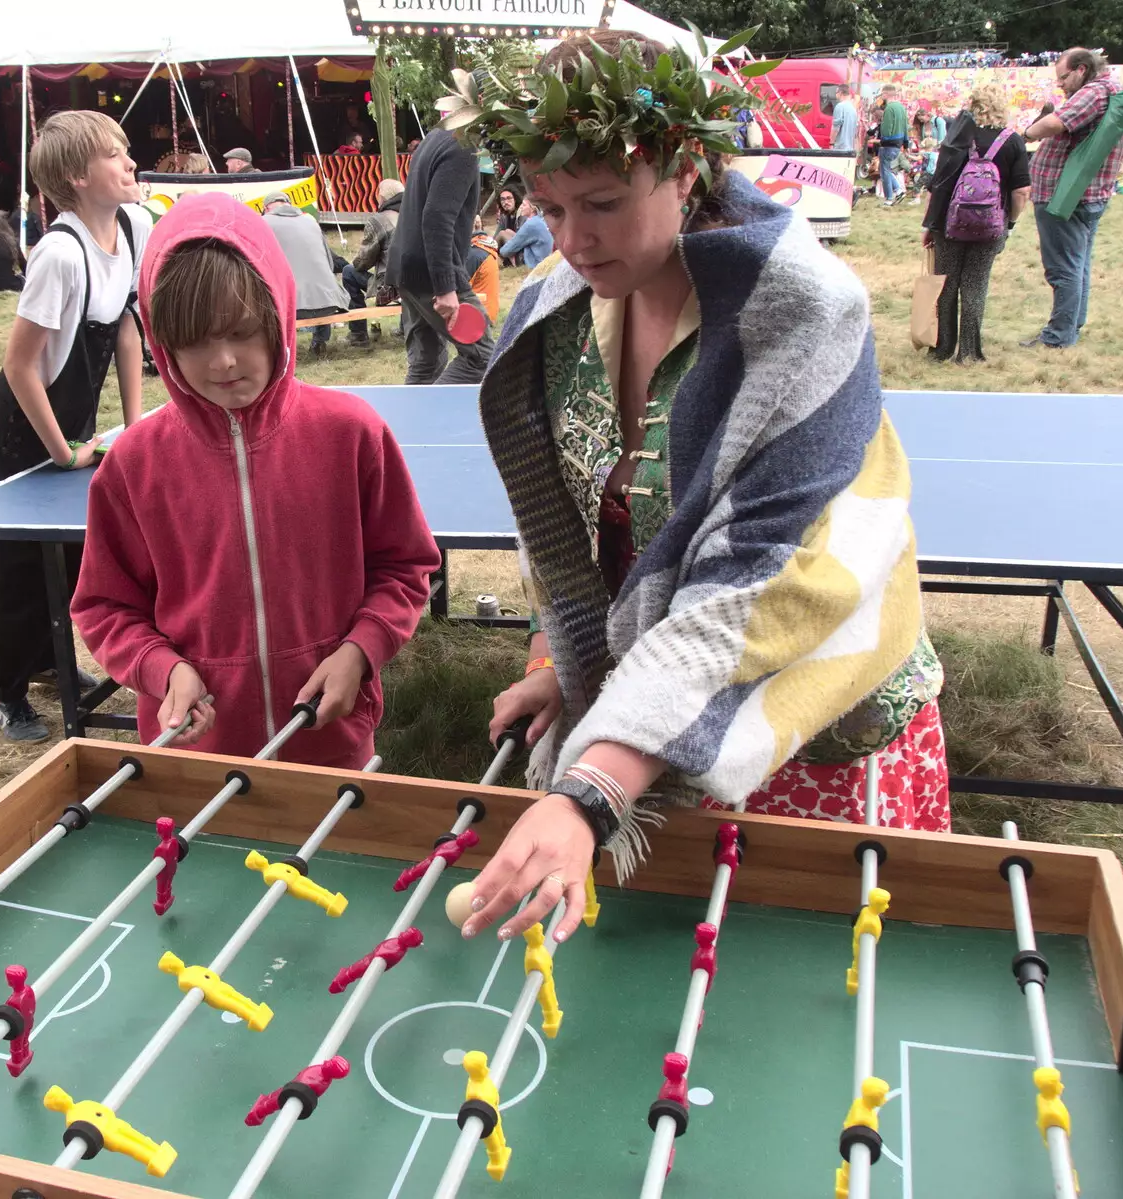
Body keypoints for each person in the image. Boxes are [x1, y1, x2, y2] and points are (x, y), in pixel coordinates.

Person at [440, 29, 945, 946]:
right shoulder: (556, 305)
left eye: (600, 202)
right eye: (547, 206)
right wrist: (565, 657)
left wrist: (592, 789)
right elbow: (575, 528)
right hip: (647, 715)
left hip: (809, 725)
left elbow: (764, 573)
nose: (571, 240)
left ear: (686, 165)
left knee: (797, 1007)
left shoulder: (802, 309)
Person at [70, 191, 441, 764]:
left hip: (330, 740)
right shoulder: (134, 463)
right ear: (163, 345)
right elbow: (104, 605)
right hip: (196, 749)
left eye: (242, 332)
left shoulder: (352, 433)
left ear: (278, 316)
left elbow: (406, 565)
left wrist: (360, 652)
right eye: (195, 342)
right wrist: (163, 670)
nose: (223, 362)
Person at [0, 110, 150, 741]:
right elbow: (20, 365)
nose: (130, 162)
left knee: (70, 551)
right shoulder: (59, 252)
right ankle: (4, 687)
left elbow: (127, 330)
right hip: (22, 428)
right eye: (114, 154)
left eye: (125, 150)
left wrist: (133, 428)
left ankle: (50, 662)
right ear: (76, 177)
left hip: (71, 421)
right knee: (16, 562)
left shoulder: (132, 226)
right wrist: (61, 451)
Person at [1021, 48, 1123, 350]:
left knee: (1063, 268)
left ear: (1081, 69)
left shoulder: (1094, 94)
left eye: (1062, 77)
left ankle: (1059, 336)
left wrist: (1026, 133)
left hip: (1065, 196)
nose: (1059, 84)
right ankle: (1071, 326)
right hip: (1089, 195)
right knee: (1078, 265)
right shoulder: (1116, 92)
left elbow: (1056, 123)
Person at [922, 83, 1031, 363]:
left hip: (949, 224)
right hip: (991, 226)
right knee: (975, 284)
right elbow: (1021, 192)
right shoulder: (1013, 140)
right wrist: (1010, 223)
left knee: (946, 284)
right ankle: (969, 352)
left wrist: (930, 225)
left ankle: (942, 349)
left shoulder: (957, 136)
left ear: (972, 105)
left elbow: (939, 184)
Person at [388, 128, 497, 384]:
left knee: (426, 363)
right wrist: (445, 286)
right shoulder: (463, 146)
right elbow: (437, 217)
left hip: (408, 268)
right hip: (431, 272)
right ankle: (430, 419)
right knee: (482, 358)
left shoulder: (435, 137)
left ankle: (409, 424)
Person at [262, 191, 350, 355]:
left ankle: (281, 351)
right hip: (330, 303)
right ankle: (320, 341)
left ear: (266, 208)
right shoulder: (310, 220)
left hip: (291, 308)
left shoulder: (264, 223)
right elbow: (330, 263)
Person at [344, 178, 402, 345]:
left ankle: (358, 333)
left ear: (382, 197)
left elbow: (364, 260)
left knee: (349, 272)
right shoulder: (416, 214)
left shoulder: (380, 220)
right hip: (418, 282)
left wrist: (354, 263)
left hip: (391, 286)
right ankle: (405, 330)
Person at [496, 195, 553, 268]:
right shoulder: (540, 219)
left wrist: (501, 252)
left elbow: (506, 251)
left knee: (502, 234)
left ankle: (487, 256)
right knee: (508, 231)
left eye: (524, 205)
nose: (521, 207)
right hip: (541, 257)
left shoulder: (531, 224)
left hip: (533, 262)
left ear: (532, 209)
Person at [877, 84, 909, 204]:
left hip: (888, 144)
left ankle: (889, 198)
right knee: (887, 170)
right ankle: (898, 190)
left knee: (884, 171)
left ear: (885, 94)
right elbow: (906, 127)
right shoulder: (901, 107)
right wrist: (906, 144)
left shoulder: (889, 109)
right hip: (899, 143)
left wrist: (882, 140)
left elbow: (886, 129)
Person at [467, 220, 501, 323]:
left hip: (478, 317)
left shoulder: (474, 255)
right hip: (489, 312)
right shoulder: (485, 248)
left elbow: (459, 290)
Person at [829, 84, 859, 152]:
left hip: (840, 147)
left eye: (836, 92)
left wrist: (831, 143)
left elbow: (835, 128)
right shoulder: (853, 109)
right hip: (849, 148)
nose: (836, 94)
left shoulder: (839, 107)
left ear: (840, 93)